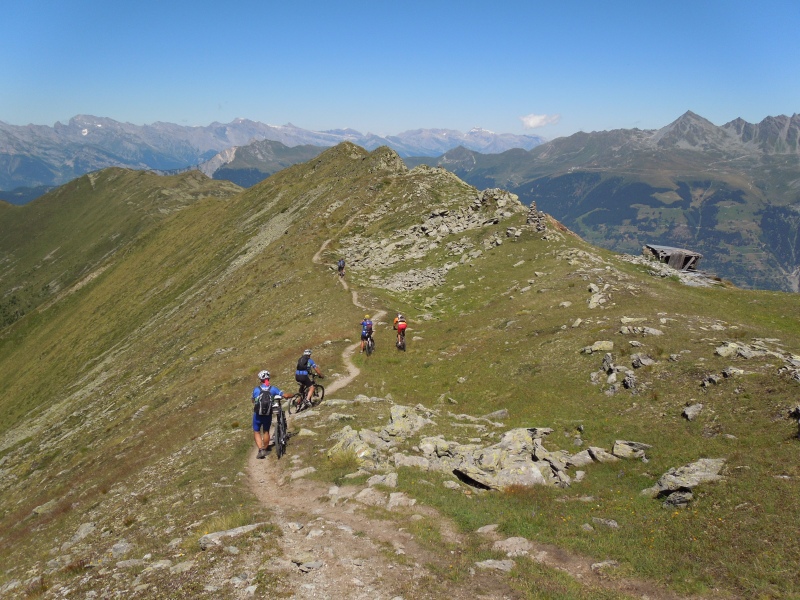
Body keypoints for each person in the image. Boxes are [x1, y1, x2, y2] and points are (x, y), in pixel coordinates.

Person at [252, 369, 292, 459]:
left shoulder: (256, 390)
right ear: (268, 379)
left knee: (256, 431)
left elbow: (253, 401)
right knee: (266, 431)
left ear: (260, 380)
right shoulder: (273, 389)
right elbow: (284, 395)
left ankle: (260, 450)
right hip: (268, 414)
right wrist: (291, 395)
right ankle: (265, 449)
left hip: (257, 414)